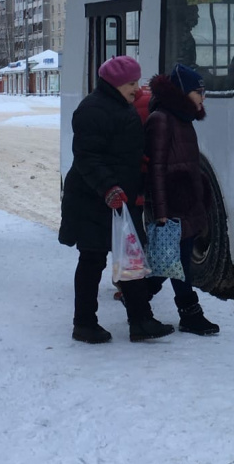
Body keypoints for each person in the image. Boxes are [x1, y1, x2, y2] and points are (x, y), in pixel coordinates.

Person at [59, 55, 174, 344]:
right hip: (93, 199)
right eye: (131, 83)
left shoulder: (120, 106)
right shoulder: (92, 109)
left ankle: (141, 320)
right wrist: (108, 187)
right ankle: (84, 323)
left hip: (119, 200)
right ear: (115, 83)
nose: (137, 88)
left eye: (137, 82)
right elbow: (87, 156)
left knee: (130, 258)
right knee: (92, 260)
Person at [144, 64, 220, 335]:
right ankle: (190, 314)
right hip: (172, 205)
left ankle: (138, 298)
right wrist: (161, 212)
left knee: (172, 261)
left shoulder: (183, 118)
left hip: (186, 201)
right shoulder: (162, 119)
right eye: (198, 92)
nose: (203, 97)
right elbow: (156, 169)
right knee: (177, 261)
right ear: (183, 92)